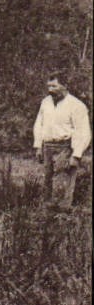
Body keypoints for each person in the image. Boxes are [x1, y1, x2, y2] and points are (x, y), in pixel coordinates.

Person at [32, 73, 90, 206]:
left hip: (65, 147)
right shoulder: (45, 102)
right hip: (47, 146)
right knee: (47, 181)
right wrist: (38, 146)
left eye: (54, 86)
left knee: (63, 182)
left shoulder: (76, 105)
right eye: (48, 86)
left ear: (65, 86)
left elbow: (83, 132)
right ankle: (48, 212)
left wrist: (76, 155)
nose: (50, 89)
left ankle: (63, 214)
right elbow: (39, 124)